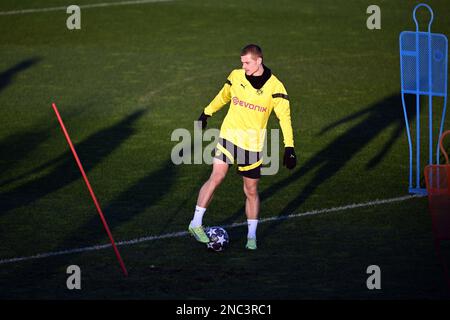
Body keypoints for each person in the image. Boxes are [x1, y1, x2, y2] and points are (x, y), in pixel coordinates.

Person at [188, 44, 297, 250]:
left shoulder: (276, 88)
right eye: (242, 62)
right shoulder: (236, 76)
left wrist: (289, 147)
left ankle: (252, 237)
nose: (243, 66)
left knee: (251, 190)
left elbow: (285, 118)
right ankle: (195, 223)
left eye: (247, 62)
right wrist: (206, 112)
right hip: (229, 136)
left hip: (252, 146)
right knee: (217, 175)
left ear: (258, 61)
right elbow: (223, 95)